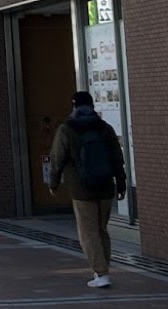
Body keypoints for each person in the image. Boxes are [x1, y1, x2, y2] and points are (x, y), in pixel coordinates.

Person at [48, 90, 127, 290]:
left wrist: (53, 182)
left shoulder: (67, 129)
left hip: (81, 189)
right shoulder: (105, 128)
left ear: (74, 106)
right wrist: (122, 183)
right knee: (101, 230)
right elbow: (117, 157)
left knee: (88, 232)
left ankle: (101, 274)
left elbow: (57, 158)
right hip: (106, 187)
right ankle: (102, 270)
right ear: (92, 106)